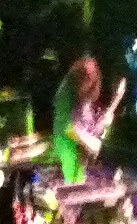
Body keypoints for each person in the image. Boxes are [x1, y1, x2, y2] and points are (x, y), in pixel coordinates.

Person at [53, 56, 124, 185]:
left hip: (81, 144)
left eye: (94, 75)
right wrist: (90, 141)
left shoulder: (86, 92)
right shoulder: (66, 92)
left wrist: (104, 119)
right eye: (88, 75)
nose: (93, 79)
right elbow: (67, 126)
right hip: (67, 142)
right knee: (73, 182)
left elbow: (88, 119)